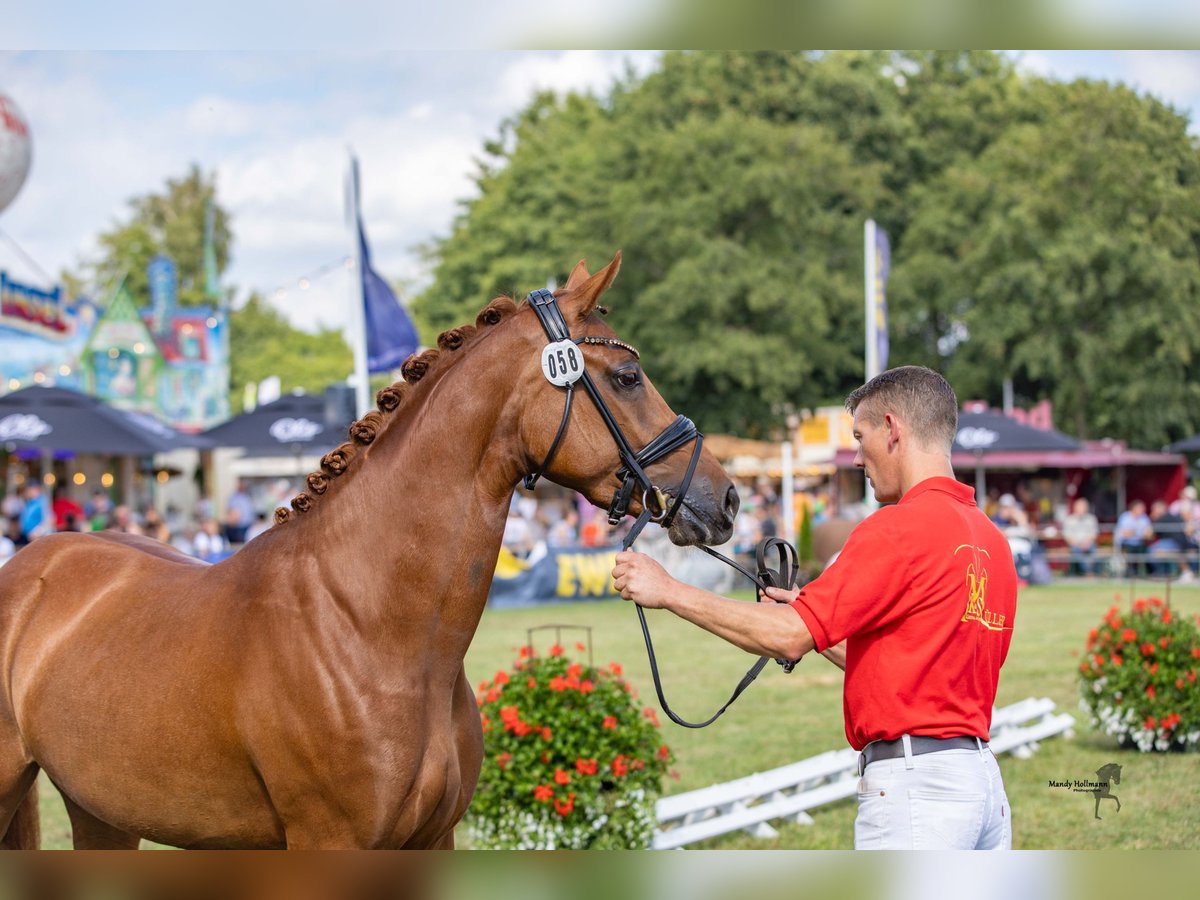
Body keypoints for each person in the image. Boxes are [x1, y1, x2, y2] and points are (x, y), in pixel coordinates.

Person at [613, 366, 1016, 850]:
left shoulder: (896, 527)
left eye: (860, 437)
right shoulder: (991, 539)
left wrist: (668, 590)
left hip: (917, 791)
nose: (858, 459)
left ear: (892, 429)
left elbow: (787, 636)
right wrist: (814, 617)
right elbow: (915, 666)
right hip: (980, 782)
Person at [1060, 497, 1100, 577]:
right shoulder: (1069, 519)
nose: (1082, 509)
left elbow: (1094, 534)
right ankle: (1087, 572)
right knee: (1076, 551)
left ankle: (1089, 571)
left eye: (1083, 507)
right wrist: (1078, 544)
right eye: (1080, 506)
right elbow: (1067, 536)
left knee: (1092, 550)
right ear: (1075, 508)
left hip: (1089, 544)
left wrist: (1086, 543)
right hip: (1075, 544)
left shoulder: (1091, 519)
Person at [1113, 500, 1154, 576]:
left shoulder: (1144, 518)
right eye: (1140, 508)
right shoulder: (1125, 517)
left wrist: (1135, 533)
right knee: (1131, 552)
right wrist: (1140, 533)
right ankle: (1130, 573)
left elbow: (1149, 534)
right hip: (1126, 543)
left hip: (1140, 543)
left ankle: (1145, 574)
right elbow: (1125, 533)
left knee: (1147, 551)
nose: (1142, 510)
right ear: (1133, 508)